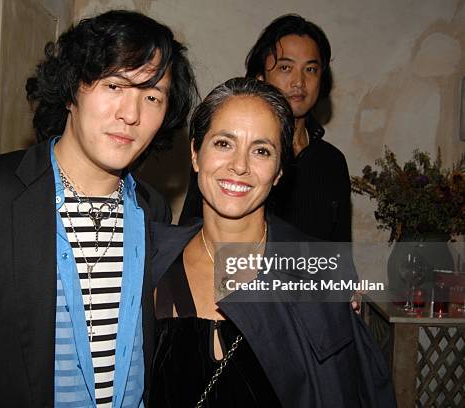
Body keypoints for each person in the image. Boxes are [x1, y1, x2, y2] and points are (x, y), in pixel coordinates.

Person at [0, 10, 196, 407]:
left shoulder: (150, 210)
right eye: (114, 85)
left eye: (152, 96)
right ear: (73, 89)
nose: (131, 114)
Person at [149, 77, 395, 407]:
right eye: (224, 143)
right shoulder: (151, 257)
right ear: (196, 153)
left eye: (262, 151)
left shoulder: (317, 276)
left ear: (279, 171)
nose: (239, 166)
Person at [180, 14, 352, 243]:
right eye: (285, 67)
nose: (299, 82)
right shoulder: (223, 155)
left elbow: (340, 257)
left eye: (310, 69)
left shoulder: (332, 162)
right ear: (260, 76)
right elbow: (189, 236)